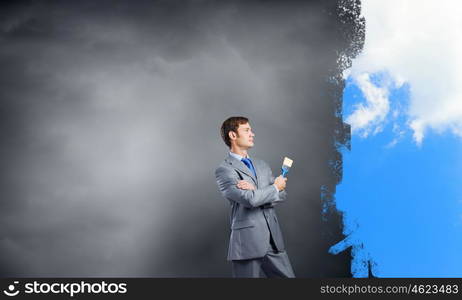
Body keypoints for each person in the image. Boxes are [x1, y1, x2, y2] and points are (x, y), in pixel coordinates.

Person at [215, 116, 295, 278]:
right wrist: (272, 188)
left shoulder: (262, 165)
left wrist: (257, 190)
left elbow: (282, 194)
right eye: (247, 130)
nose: (253, 134)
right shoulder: (224, 170)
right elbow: (249, 200)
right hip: (246, 242)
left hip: (273, 240)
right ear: (233, 135)